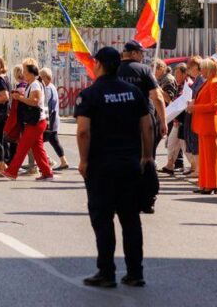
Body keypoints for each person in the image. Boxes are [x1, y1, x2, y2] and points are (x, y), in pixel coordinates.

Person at [76, 46, 153, 289]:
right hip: (130, 165)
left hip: (101, 167)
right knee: (131, 220)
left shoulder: (89, 95)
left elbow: (83, 131)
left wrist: (84, 161)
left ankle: (106, 272)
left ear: (98, 64)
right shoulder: (133, 93)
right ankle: (135, 273)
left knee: (103, 219)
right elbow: (148, 126)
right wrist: (147, 157)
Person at [118, 41, 167, 168]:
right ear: (133, 53)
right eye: (141, 53)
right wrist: (163, 121)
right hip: (142, 119)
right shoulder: (144, 69)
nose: (142, 56)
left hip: (118, 119)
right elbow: (157, 97)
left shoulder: (113, 69)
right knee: (145, 155)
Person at [3, 61, 55, 181]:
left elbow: (34, 101)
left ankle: (12, 171)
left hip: (36, 122)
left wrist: (19, 97)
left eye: (25, 71)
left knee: (23, 147)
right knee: (37, 149)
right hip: (37, 121)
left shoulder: (35, 84)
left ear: (31, 72)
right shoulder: (32, 83)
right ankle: (47, 173)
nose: (24, 73)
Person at [189, 59, 217, 195]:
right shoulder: (208, 82)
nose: (200, 70)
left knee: (211, 158)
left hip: (209, 125)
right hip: (204, 125)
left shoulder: (215, 83)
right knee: (205, 158)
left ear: (208, 69)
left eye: (202, 68)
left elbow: (216, 106)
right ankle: (204, 184)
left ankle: (212, 184)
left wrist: (195, 107)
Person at [160, 64, 190, 176]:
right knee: (172, 143)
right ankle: (170, 165)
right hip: (177, 121)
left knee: (185, 146)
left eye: (177, 73)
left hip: (182, 121)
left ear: (184, 73)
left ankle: (194, 167)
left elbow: (180, 102)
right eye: (175, 73)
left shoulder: (187, 85)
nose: (175, 76)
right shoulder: (179, 85)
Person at [40, 68, 69, 171]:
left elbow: (46, 105)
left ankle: (47, 162)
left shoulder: (47, 89)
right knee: (54, 141)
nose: (39, 79)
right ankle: (63, 161)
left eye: (41, 77)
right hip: (53, 121)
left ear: (47, 78)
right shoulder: (52, 87)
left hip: (49, 122)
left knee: (37, 142)